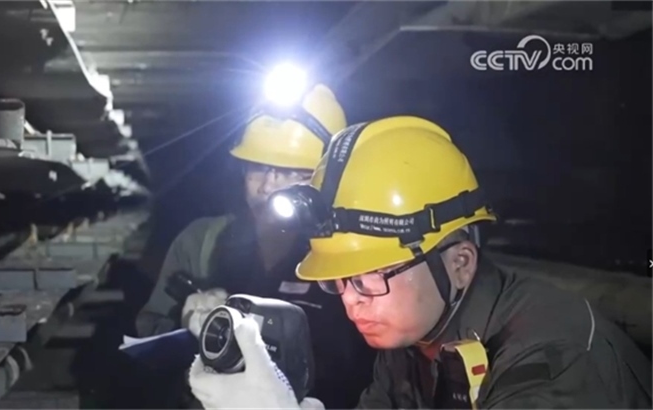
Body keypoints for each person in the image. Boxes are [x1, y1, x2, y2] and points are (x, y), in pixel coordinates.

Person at [188, 115, 653, 409]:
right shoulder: (411, 344)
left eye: (370, 277)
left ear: (460, 263)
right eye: (340, 281)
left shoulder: (554, 358)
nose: (351, 302)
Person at [135, 83, 377, 409]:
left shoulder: (351, 253)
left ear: (327, 179)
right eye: (259, 167)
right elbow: (148, 345)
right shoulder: (200, 243)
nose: (267, 186)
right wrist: (186, 324)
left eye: (291, 172)